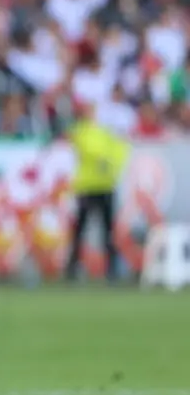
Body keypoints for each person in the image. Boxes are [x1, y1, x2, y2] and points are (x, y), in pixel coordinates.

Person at [65, 103, 129, 281]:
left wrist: (111, 167)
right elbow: (87, 150)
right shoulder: (81, 131)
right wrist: (104, 159)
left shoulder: (105, 133)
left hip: (105, 186)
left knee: (107, 231)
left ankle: (112, 270)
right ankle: (72, 269)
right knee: (80, 230)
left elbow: (120, 152)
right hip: (87, 187)